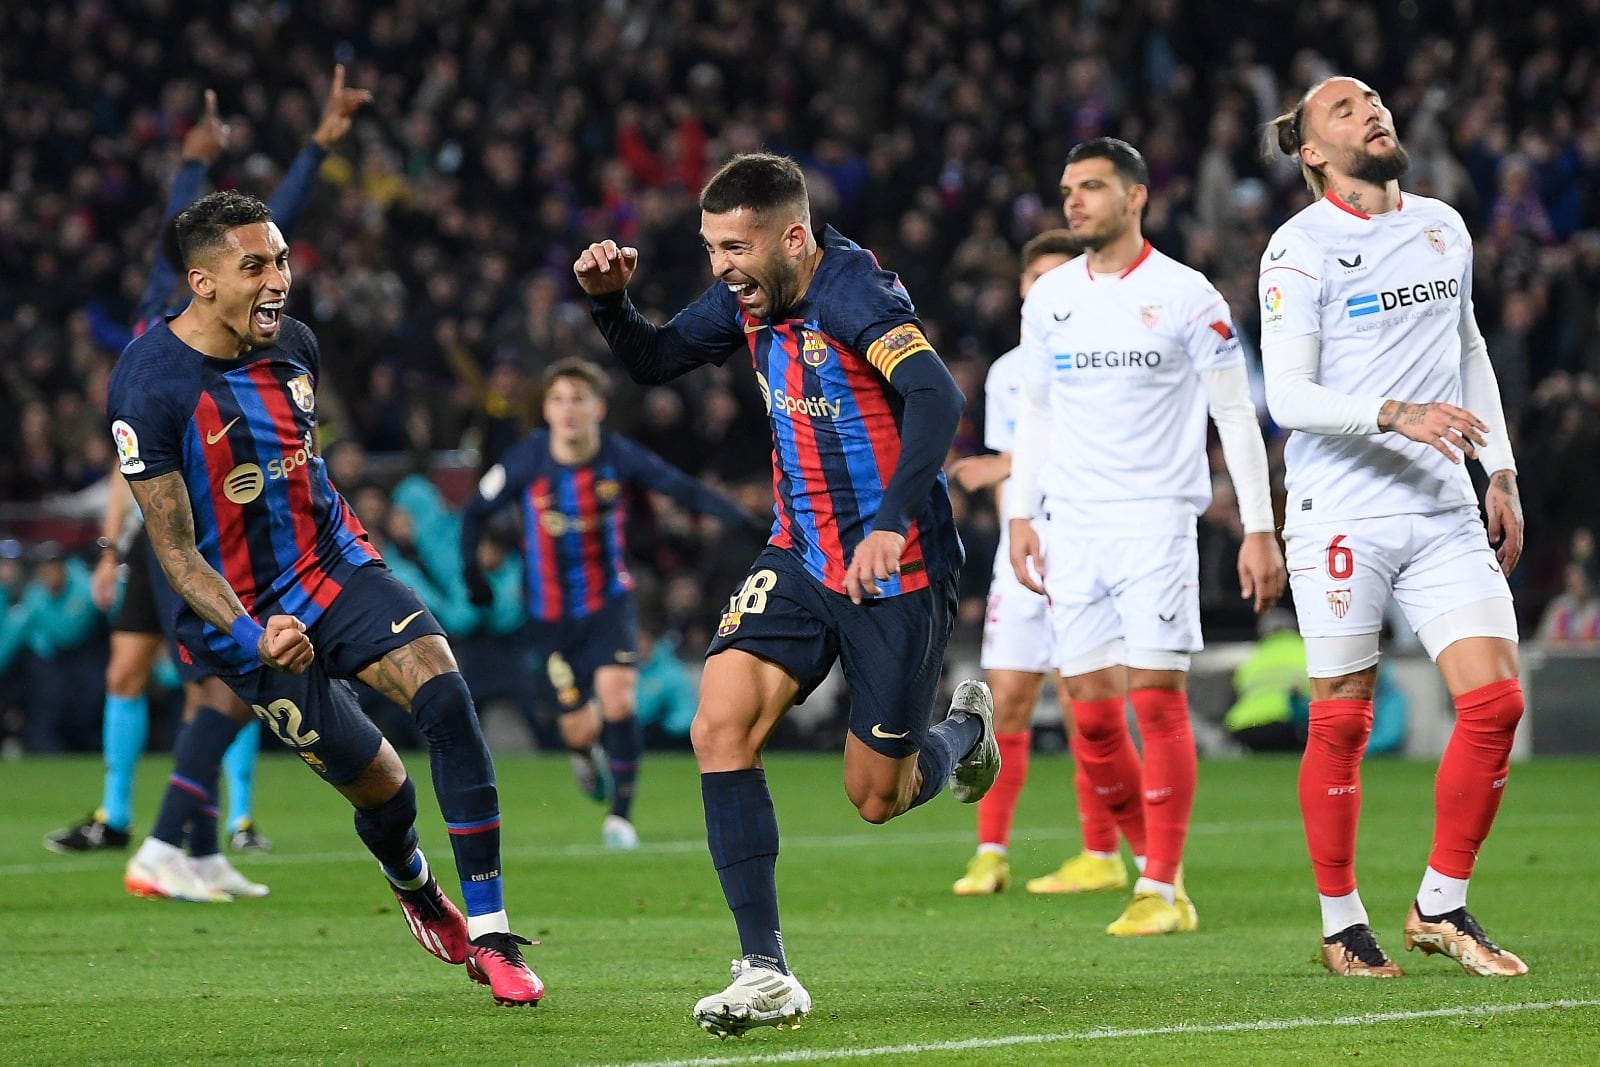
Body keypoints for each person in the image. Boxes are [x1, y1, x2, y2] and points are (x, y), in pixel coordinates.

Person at [574, 152, 999, 1038]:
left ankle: (964, 733)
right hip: (803, 555)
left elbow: (936, 395)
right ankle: (764, 968)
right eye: (710, 247)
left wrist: (886, 522)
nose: (722, 266)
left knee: (875, 795)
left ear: (794, 237)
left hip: (897, 567)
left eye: (736, 246)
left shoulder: (855, 296)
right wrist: (610, 303)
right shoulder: (747, 297)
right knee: (718, 724)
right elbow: (655, 361)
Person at [105, 190, 541, 1004]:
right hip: (244, 619)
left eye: (281, 259)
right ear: (202, 283)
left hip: (335, 568)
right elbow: (174, 548)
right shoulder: (149, 382)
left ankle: (491, 932)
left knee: (445, 694)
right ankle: (413, 883)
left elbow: (301, 464)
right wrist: (251, 626)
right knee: (384, 789)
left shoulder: (296, 345)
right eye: (256, 265)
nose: (281, 278)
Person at [47, 69, 370, 863]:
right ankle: (136, 824)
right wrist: (114, 543)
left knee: (220, 681)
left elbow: (265, 227)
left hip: (209, 526)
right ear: (197, 278)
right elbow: (138, 455)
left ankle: (211, 836)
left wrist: (313, 149)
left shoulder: (222, 307)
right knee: (139, 670)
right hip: (153, 520)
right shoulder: (156, 343)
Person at [1261, 76, 1529, 978]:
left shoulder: (1442, 224)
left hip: (1445, 502)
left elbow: (1469, 349)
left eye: (1374, 99)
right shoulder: (1298, 249)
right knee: (1341, 718)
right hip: (1340, 508)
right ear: (1311, 151)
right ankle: (1342, 923)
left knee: (1496, 705)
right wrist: (1396, 413)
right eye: (1344, 109)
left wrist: (1501, 468)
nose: (1372, 111)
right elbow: (1288, 395)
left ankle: (1440, 904)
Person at [1006, 137, 1286, 937]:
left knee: (1154, 699)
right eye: (1067, 188)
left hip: (1156, 521)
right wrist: (1024, 512)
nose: (1074, 200)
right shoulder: (1049, 298)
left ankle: (1161, 886)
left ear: (1136, 198)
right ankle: (1149, 865)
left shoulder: (1187, 294)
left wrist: (1259, 527)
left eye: (1091, 186)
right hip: (1072, 525)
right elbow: (1039, 413)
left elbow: (1236, 413)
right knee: (1091, 715)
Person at [459, 355, 752, 850]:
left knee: (619, 699)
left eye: (578, 399)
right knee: (577, 728)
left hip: (609, 603)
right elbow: (474, 513)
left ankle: (620, 817)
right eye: (558, 400)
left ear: (598, 408)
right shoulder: (526, 460)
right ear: (546, 411)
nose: (568, 409)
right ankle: (582, 751)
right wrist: (473, 576)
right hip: (549, 615)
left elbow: (679, 487)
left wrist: (744, 523)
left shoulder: (619, 455)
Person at [944, 229, 1124, 898]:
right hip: (1027, 552)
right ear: (1023, 290)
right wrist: (1012, 517)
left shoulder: (1104, 359)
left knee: (1087, 706)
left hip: (1089, 546)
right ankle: (990, 852)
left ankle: (1100, 852)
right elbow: (1000, 480)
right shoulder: (1007, 372)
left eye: (1062, 278)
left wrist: (1007, 463)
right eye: (1038, 280)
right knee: (1005, 700)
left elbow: (1092, 454)